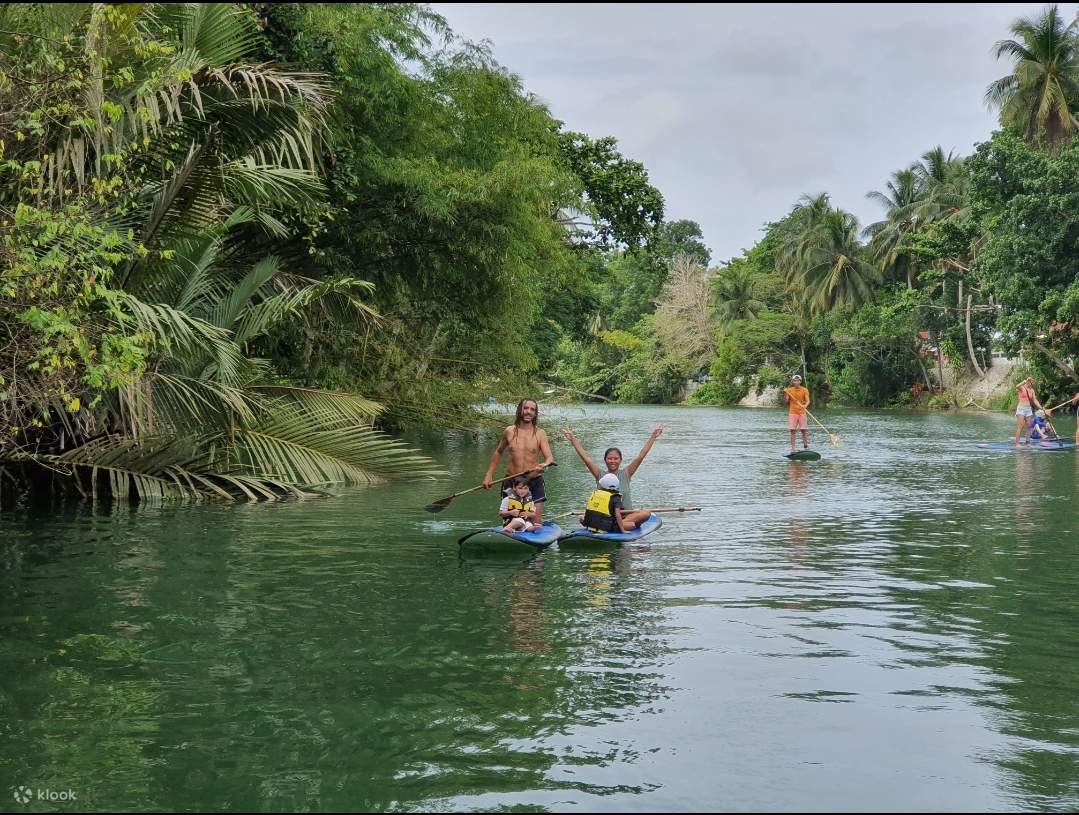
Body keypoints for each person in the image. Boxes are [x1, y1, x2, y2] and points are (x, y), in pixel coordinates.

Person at [483, 398, 554, 524]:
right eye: (526, 408)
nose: (528, 412)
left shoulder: (540, 433)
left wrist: (543, 465)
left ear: (535, 413)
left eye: (532, 409)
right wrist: (489, 475)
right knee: (510, 521)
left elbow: (549, 458)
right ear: (519, 410)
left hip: (534, 482)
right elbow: (498, 452)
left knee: (535, 521)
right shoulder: (509, 431)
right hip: (512, 481)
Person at [561, 425, 663, 510]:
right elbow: (586, 458)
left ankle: (622, 524)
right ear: (605, 460)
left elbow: (641, 456)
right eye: (610, 458)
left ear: (620, 460)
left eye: (615, 458)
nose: (612, 461)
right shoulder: (600, 475)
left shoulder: (626, 474)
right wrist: (573, 439)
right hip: (605, 517)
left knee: (645, 514)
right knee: (581, 518)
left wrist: (653, 437)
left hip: (625, 515)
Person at [580, 473, 652, 533]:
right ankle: (634, 523)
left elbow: (589, 509)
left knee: (581, 516)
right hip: (606, 527)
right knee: (633, 524)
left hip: (590, 524)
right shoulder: (615, 497)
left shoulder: (595, 493)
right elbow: (617, 514)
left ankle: (589, 525)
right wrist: (622, 530)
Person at [1014, 377, 1044, 447]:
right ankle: (1017, 443)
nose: (1032, 383)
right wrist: (1024, 381)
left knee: (1029, 426)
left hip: (1028, 409)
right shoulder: (1022, 387)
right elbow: (1017, 386)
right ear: (1028, 381)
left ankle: (1028, 442)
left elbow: (1035, 400)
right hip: (1021, 408)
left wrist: (1041, 408)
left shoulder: (1032, 390)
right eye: (1031, 381)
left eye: (1032, 382)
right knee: (1020, 427)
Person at [784, 374, 811, 452]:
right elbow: (786, 402)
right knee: (792, 430)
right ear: (792, 382)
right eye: (795, 380)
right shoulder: (789, 390)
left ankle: (806, 446)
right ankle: (793, 448)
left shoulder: (804, 390)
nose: (796, 382)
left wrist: (805, 406)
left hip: (802, 412)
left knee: (804, 430)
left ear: (800, 381)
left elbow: (808, 401)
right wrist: (786, 394)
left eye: (798, 380)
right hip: (793, 412)